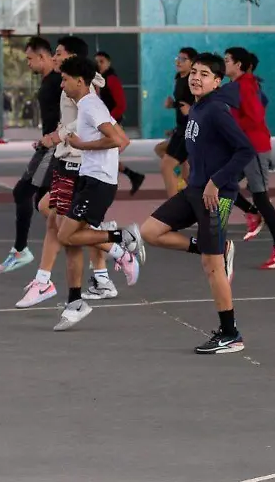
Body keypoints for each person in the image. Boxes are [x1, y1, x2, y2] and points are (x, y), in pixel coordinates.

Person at [140, 53, 257, 354]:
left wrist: (218, 183)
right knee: (150, 232)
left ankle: (230, 334)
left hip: (215, 197)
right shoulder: (198, 108)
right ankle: (217, 247)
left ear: (217, 81)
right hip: (194, 191)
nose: (196, 77)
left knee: (212, 265)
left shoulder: (217, 109)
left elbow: (245, 150)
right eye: (194, 72)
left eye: (205, 74)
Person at [15, 43, 115, 308]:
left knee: (63, 228)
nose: (54, 58)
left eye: (58, 54)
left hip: (77, 164)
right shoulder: (70, 84)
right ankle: (71, 292)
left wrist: (58, 137)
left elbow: (116, 137)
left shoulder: (85, 93)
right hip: (67, 157)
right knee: (57, 223)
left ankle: (117, 246)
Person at [53, 55, 145, 331]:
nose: (62, 85)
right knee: (69, 241)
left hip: (97, 184)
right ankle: (74, 302)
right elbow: (124, 141)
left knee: (65, 235)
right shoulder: (90, 105)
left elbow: (117, 140)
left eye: (65, 79)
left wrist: (82, 145)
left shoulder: (91, 106)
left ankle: (122, 237)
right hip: (90, 179)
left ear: (80, 81)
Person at [222, 47, 275, 270]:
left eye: (227, 60)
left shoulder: (245, 85)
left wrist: (232, 129)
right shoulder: (241, 85)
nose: (224, 64)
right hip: (243, 147)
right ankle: (252, 212)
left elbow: (255, 116)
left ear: (238, 65)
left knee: (261, 196)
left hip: (254, 148)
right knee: (222, 182)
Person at [0, 36, 61, 273]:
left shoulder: (58, 82)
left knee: (22, 192)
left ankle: (21, 250)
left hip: (54, 149)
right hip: (49, 146)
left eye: (30, 59)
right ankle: (109, 242)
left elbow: (70, 114)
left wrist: (54, 137)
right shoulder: (48, 82)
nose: (28, 64)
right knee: (46, 206)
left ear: (43, 56)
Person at [95, 51, 146, 196]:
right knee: (105, 156)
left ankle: (109, 187)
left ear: (108, 63)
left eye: (102, 61)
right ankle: (133, 176)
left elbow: (121, 105)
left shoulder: (111, 79)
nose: (99, 64)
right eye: (96, 61)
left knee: (104, 156)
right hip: (107, 124)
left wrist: (108, 120)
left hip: (112, 124)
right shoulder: (101, 80)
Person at [157, 48, 196, 197]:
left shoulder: (193, 81)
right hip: (181, 129)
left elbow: (195, 106)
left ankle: (173, 208)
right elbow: (182, 106)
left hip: (189, 130)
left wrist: (178, 106)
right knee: (161, 152)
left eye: (183, 59)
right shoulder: (179, 79)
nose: (178, 61)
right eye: (177, 58)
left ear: (192, 63)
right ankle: (183, 184)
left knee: (167, 166)